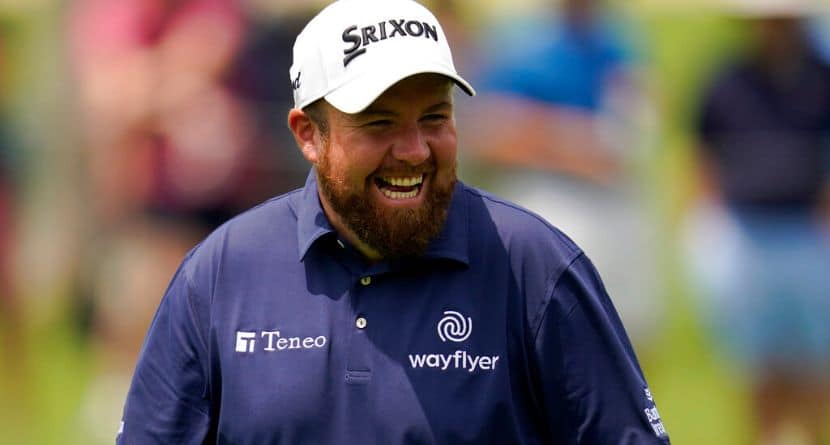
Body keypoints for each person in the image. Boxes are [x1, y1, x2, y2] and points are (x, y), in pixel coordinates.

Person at [116, 0, 669, 443]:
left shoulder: (537, 269)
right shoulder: (220, 276)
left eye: (434, 118)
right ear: (308, 134)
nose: (413, 150)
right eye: (379, 124)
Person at [687, 1, 830, 444]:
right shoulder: (727, 80)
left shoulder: (822, 76)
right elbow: (702, 158)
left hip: (808, 234)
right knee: (758, 365)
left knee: (816, 365)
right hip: (745, 232)